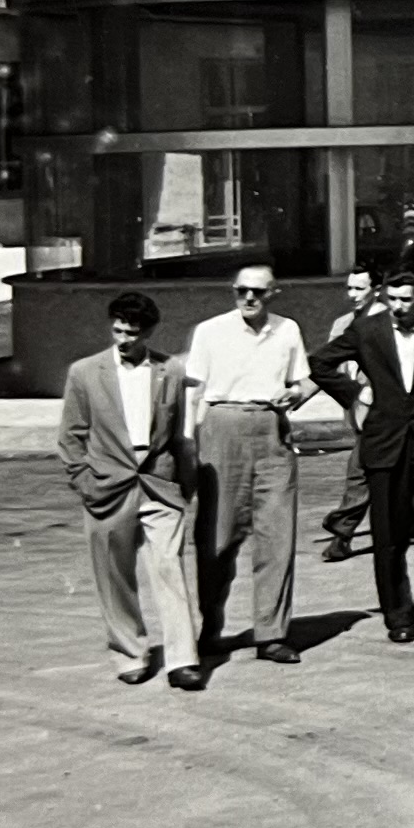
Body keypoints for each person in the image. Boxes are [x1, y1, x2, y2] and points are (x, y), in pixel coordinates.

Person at [313, 255, 414, 641]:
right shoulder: (367, 330)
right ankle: (399, 617)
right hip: (385, 443)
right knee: (389, 534)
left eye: (406, 300)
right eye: (392, 298)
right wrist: (354, 394)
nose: (398, 306)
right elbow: (321, 363)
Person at [60, 291, 204, 692]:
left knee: (169, 569)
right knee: (115, 576)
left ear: (150, 333)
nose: (123, 339)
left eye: (133, 333)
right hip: (107, 488)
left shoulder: (170, 371)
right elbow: (70, 437)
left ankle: (182, 660)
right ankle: (130, 654)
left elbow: (180, 436)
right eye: (118, 330)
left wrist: (183, 487)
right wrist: (85, 483)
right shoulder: (85, 373)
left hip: (159, 484)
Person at [183, 265, 315, 666]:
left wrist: (297, 396)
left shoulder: (288, 330)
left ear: (273, 292)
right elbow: (194, 393)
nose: (249, 298)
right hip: (222, 428)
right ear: (233, 291)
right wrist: (189, 445)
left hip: (271, 430)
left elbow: (303, 381)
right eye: (242, 291)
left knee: (277, 536)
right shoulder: (210, 331)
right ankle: (210, 627)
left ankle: (271, 634)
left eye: (258, 291)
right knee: (217, 537)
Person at [315, 265, 379, 561]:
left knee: (360, 472)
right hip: (358, 411)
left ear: (375, 290)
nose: (352, 295)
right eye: (349, 288)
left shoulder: (386, 320)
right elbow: (326, 366)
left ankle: (342, 532)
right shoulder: (342, 324)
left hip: (383, 412)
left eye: (359, 288)